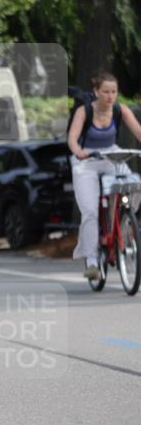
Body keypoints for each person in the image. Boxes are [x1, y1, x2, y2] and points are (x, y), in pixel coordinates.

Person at [67, 71, 141, 280]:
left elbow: (139, 132)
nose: (110, 96)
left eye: (114, 92)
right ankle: (91, 260)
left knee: (136, 185)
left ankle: (125, 223)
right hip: (86, 162)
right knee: (89, 211)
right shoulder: (84, 112)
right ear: (96, 92)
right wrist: (78, 151)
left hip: (111, 157)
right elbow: (72, 139)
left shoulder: (120, 110)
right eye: (105, 92)